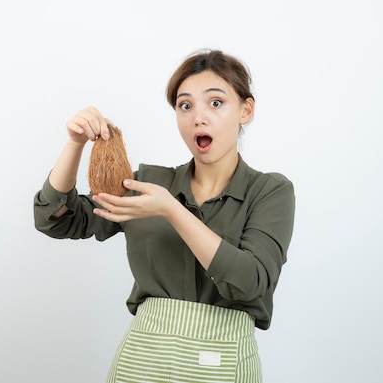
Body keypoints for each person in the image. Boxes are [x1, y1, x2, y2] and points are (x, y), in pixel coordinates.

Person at [33, 49, 295, 382]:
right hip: (141, 364)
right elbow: (56, 219)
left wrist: (172, 210)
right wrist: (74, 144)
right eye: (185, 106)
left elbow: (251, 282)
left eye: (215, 103)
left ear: (245, 110)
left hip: (223, 365)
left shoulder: (270, 191)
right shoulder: (149, 183)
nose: (198, 117)